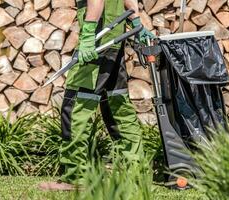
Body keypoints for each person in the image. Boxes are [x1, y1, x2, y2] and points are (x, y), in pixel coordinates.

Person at [39, 0, 155, 190]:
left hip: (96, 43)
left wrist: (87, 37)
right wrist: (136, 24)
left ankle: (76, 177)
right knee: (118, 106)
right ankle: (137, 172)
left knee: (75, 106)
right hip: (113, 44)